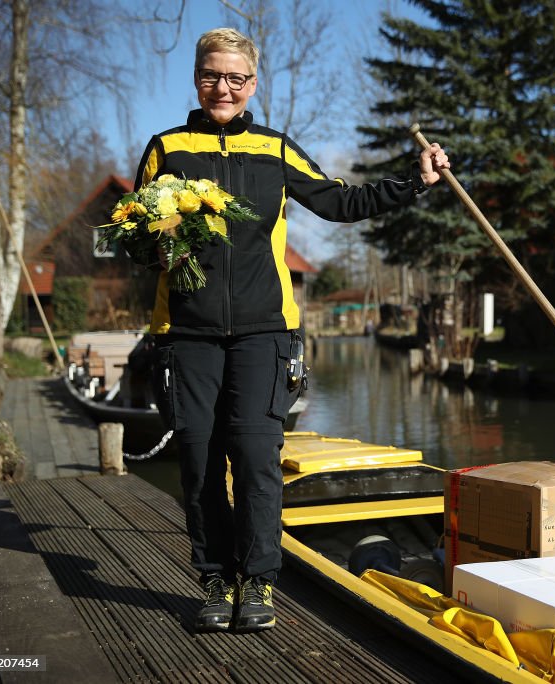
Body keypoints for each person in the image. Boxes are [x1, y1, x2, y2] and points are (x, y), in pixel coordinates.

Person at [135, 27, 449, 633]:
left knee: (255, 458)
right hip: (187, 333)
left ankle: (257, 581)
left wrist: (415, 181)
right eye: (210, 76)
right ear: (196, 80)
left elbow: (340, 202)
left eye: (235, 78)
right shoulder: (165, 148)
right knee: (199, 461)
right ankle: (215, 579)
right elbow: (128, 236)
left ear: (252, 84)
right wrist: (154, 241)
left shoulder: (275, 149)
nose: (221, 87)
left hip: (265, 333)